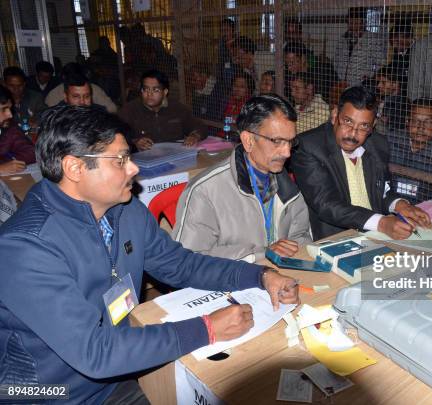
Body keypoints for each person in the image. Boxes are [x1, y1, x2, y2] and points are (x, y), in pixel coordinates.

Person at [0, 104, 299, 404]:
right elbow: (94, 352)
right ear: (74, 168)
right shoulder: (24, 247)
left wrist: (259, 276)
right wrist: (207, 329)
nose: (133, 168)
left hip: (117, 372)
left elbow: (182, 265)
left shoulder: (125, 210)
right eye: (120, 160)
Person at [174, 94, 311, 260]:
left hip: (280, 278)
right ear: (248, 140)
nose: (287, 152)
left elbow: (301, 238)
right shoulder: (205, 191)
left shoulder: (287, 187)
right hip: (229, 281)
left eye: (290, 142)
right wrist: (261, 253)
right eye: (277, 141)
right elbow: (188, 259)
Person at [291, 86, 430, 240]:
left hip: (377, 234)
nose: (352, 134)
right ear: (335, 115)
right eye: (347, 121)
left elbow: (382, 191)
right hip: (335, 237)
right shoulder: (308, 146)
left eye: (363, 126)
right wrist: (382, 223)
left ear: (373, 126)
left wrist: (399, 205)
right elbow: (326, 204)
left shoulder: (378, 145)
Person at [119, 69, 206, 151]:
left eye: (155, 90)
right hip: (143, 161)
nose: (149, 94)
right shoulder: (129, 110)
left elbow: (198, 126)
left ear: (165, 92)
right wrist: (135, 142)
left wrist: (194, 136)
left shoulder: (177, 108)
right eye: (146, 89)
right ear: (141, 90)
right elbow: (116, 135)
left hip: (174, 156)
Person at [388, 98, 432, 204]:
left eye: (428, 122)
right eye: (415, 121)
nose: (420, 127)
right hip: (390, 204)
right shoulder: (390, 140)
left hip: (424, 210)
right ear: (407, 121)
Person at [333, 7, 386, 87]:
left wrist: (370, 76)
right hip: (342, 83)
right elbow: (336, 59)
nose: (352, 24)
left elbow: (381, 62)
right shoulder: (343, 38)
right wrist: (338, 76)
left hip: (361, 84)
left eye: (355, 21)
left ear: (362, 22)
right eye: (350, 22)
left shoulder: (371, 39)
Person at [45, 63, 117, 113]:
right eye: (76, 96)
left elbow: (112, 109)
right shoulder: (57, 115)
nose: (82, 102)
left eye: (86, 96)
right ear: (65, 96)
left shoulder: (93, 89)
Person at [0, 85, 36, 175]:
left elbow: (31, 153)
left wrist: (9, 162)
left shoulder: (8, 126)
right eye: (4, 109)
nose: (10, 115)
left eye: (9, 108)